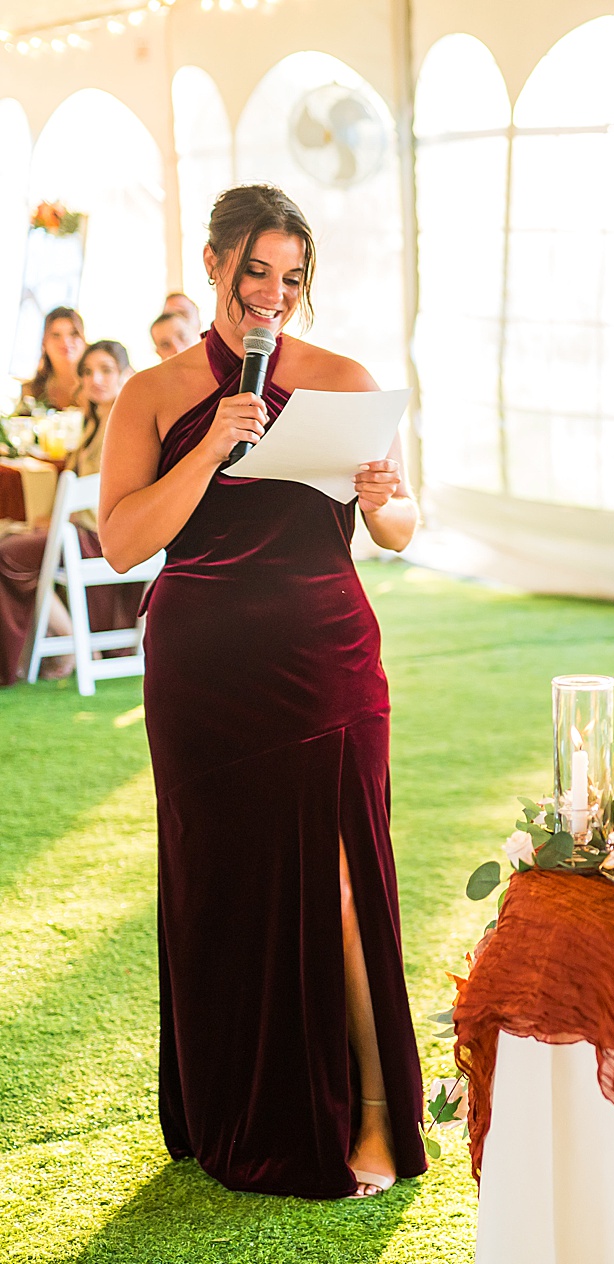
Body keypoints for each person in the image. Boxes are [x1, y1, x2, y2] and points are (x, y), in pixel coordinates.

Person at [98, 184, 425, 1199]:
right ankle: (231, 1104)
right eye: (254, 273)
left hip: (326, 657)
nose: (271, 297)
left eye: (291, 279)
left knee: (338, 878)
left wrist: (386, 502)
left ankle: (367, 1114)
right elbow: (121, 542)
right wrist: (210, 446)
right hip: (205, 673)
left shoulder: (344, 381)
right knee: (224, 886)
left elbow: (402, 527)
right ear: (213, 264)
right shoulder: (152, 394)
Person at [0, 339, 139, 685]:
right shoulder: (90, 426)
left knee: (8, 554)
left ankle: (74, 644)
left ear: (124, 375)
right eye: (88, 372)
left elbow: (112, 495)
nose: (96, 379)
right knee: (11, 537)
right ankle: (72, 642)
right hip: (77, 531)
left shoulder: (127, 425)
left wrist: (67, 518)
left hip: (100, 536)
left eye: (106, 370)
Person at [14, 306, 86, 413]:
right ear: (44, 342)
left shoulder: (97, 388)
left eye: (73, 333)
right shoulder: (32, 391)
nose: (65, 342)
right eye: (56, 335)